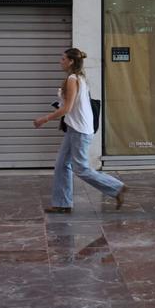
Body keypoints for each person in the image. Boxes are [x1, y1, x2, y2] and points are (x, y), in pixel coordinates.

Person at [33, 47, 128, 213]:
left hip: (80, 130)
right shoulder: (79, 78)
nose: (60, 61)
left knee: (81, 168)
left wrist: (45, 119)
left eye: (63, 59)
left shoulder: (72, 79)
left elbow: (67, 108)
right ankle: (62, 204)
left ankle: (117, 187)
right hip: (74, 128)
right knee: (62, 165)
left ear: (70, 61)